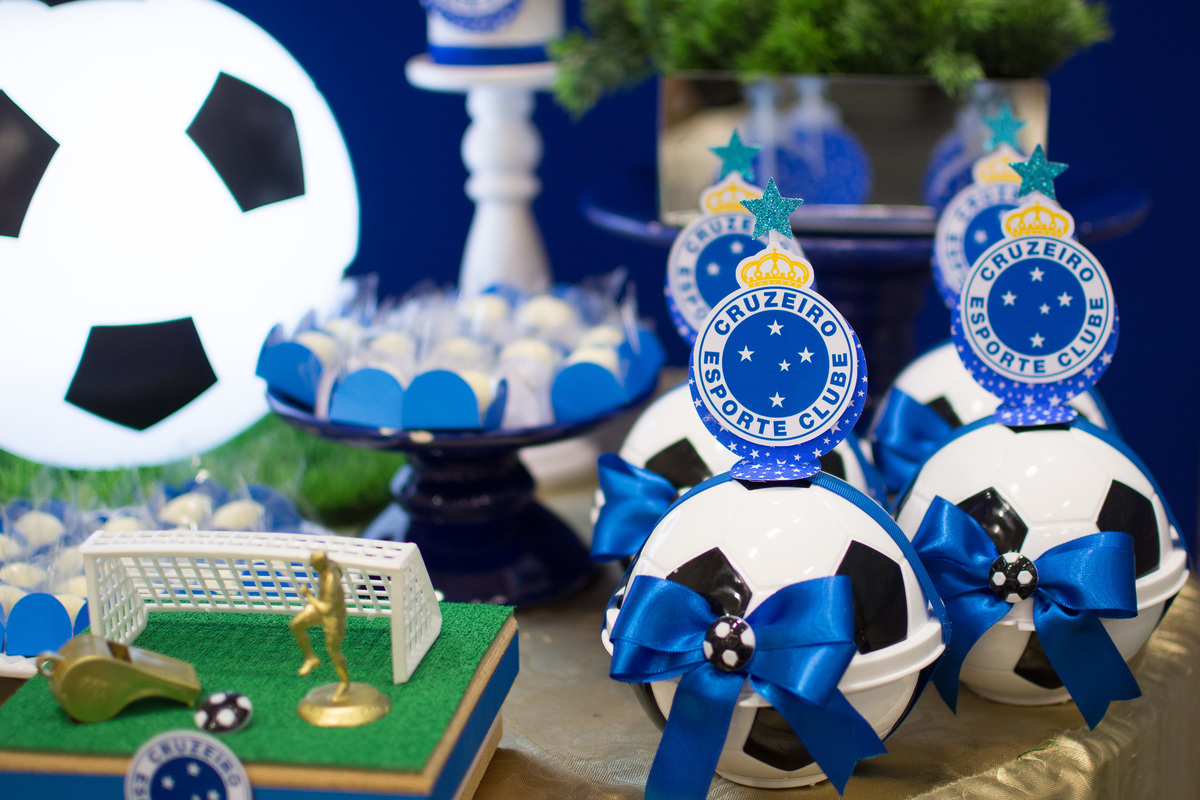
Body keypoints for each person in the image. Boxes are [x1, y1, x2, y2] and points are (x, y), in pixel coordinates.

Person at [290, 550, 350, 701]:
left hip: (333, 615)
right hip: (321, 607)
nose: (313, 568)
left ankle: (344, 682)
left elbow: (326, 609)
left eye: (314, 565)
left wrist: (308, 595)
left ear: (321, 564)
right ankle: (311, 658)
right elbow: (339, 570)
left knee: (333, 649)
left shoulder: (330, 581)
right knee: (296, 624)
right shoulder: (330, 566)